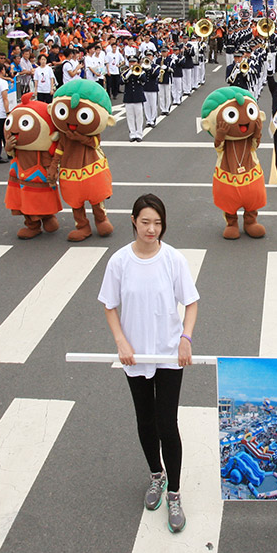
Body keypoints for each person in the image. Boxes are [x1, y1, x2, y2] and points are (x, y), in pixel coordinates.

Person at [99, 194, 199, 534]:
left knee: (167, 424)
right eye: (145, 222)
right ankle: (155, 474)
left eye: (157, 223)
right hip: (134, 356)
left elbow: (191, 302)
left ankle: (174, 492)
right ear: (133, 221)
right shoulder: (119, 262)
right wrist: (121, 342)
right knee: (145, 420)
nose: (151, 229)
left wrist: (185, 339)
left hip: (169, 355)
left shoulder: (173, 259)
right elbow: (110, 305)